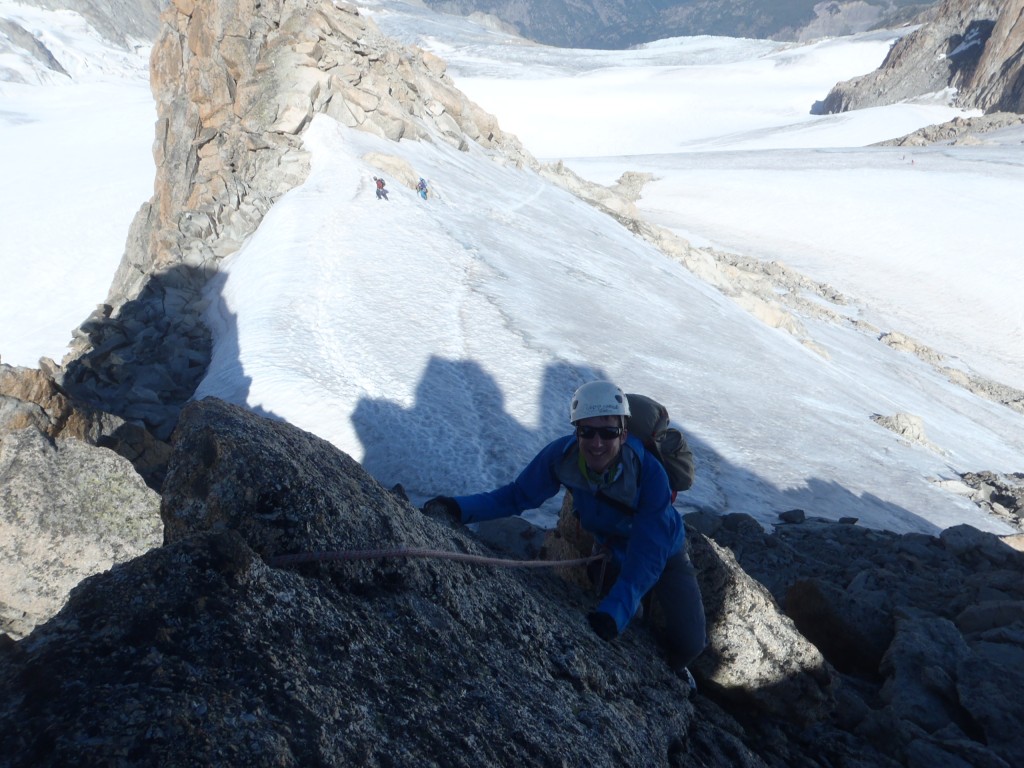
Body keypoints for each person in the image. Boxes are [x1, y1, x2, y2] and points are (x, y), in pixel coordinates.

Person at [424, 380, 706, 685]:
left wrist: (614, 612)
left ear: (623, 434)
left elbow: (648, 552)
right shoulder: (562, 457)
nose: (597, 443)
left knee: (690, 643)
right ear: (576, 432)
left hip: (664, 550)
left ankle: (676, 674)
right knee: (631, 619)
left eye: (608, 433)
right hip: (612, 548)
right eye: (587, 432)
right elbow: (517, 496)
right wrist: (459, 508)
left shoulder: (648, 473)